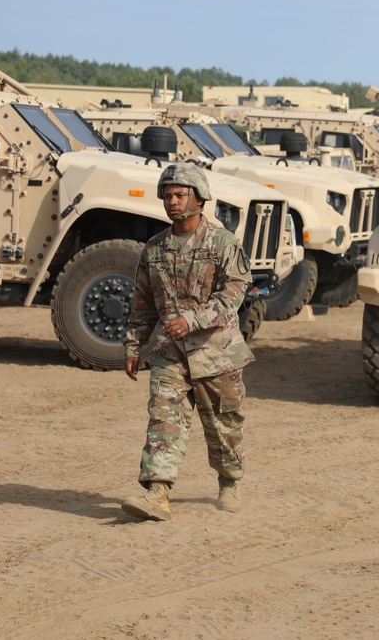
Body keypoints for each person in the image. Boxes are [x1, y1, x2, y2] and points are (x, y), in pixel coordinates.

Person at [121, 162, 254, 521]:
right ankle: (157, 492)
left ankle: (229, 482)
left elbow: (234, 293)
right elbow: (143, 302)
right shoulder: (155, 249)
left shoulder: (223, 244)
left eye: (180, 195)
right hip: (170, 353)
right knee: (163, 419)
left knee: (224, 425)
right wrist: (134, 346)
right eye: (167, 196)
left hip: (217, 354)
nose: (172, 202)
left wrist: (192, 319)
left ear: (199, 198)